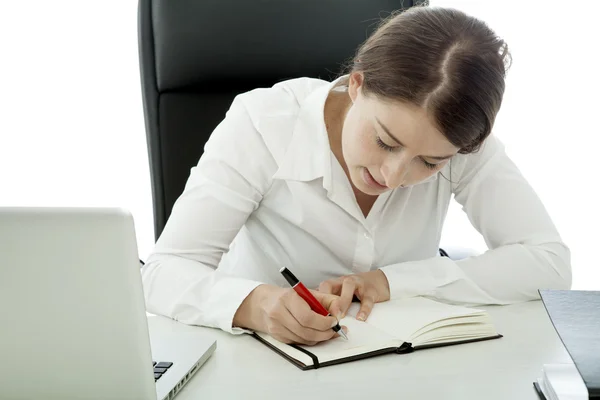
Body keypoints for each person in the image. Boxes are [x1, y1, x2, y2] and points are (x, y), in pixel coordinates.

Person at [140, 6, 571, 346]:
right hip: (263, 362)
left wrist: (391, 282)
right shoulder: (263, 122)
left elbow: (548, 263)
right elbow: (163, 272)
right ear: (357, 85)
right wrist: (253, 305)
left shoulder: (456, 140)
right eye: (385, 141)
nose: (393, 175)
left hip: (406, 362)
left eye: (431, 163)